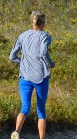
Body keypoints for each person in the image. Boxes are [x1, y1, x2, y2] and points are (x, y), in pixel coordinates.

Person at [9, 11, 55, 139]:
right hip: (40, 77)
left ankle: (16, 131)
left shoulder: (23, 35)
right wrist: (50, 63)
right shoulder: (45, 36)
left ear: (33, 22)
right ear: (43, 23)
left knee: (25, 107)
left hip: (25, 76)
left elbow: (12, 56)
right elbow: (43, 53)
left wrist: (22, 62)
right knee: (41, 110)